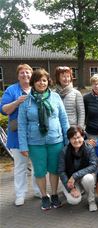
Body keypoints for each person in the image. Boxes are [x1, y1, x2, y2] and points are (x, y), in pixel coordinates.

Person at [18, 68, 69, 210]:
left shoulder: (56, 98)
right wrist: (23, 146)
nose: (42, 83)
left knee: (54, 169)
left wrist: (67, 140)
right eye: (38, 80)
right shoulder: (26, 101)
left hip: (55, 141)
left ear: (48, 82)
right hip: (35, 143)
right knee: (39, 171)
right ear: (33, 82)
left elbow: (64, 120)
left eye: (44, 80)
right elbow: (22, 125)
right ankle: (44, 196)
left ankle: (54, 194)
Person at [0, 64, 40, 206]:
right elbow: (3, 110)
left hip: (36, 135)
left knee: (37, 165)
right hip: (17, 135)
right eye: (22, 73)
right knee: (20, 166)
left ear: (32, 74)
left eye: (28, 73)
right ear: (18, 76)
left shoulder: (37, 88)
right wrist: (17, 102)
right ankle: (20, 195)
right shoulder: (12, 90)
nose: (25, 75)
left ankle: (38, 190)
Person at [58, 126, 98, 212]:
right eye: (73, 138)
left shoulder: (89, 148)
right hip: (70, 180)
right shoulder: (64, 151)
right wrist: (70, 188)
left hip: (83, 177)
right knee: (73, 200)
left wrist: (75, 175)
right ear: (69, 139)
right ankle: (66, 189)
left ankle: (91, 201)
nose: (76, 140)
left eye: (79, 137)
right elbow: (61, 171)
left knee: (89, 178)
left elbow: (93, 166)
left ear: (83, 137)